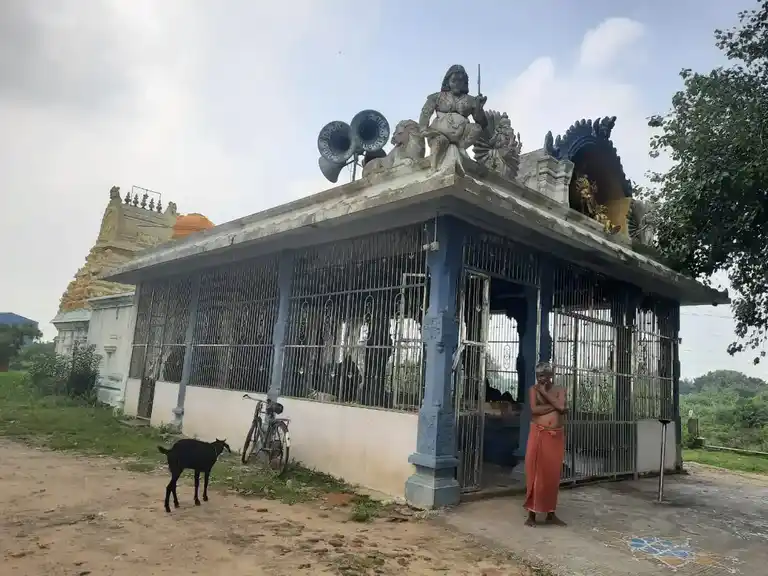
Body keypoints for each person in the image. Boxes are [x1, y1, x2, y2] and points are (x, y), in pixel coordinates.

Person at [418, 64, 488, 170]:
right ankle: (434, 168)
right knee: (440, 142)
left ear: (464, 82)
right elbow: (425, 114)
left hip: (462, 137)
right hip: (439, 134)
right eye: (454, 80)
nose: (457, 84)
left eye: (461, 81)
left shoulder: (471, 100)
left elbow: (482, 123)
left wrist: (479, 108)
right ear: (448, 80)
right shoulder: (437, 97)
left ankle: (460, 150)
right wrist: (424, 130)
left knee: (476, 128)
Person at [524, 361, 567, 527]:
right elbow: (534, 411)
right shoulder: (533, 390)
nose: (541, 379)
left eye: (544, 376)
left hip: (555, 437)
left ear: (551, 376)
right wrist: (555, 406)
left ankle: (551, 513)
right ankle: (531, 515)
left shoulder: (560, 390)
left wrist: (547, 396)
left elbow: (562, 407)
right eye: (539, 376)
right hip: (539, 434)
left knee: (552, 474)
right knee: (536, 473)